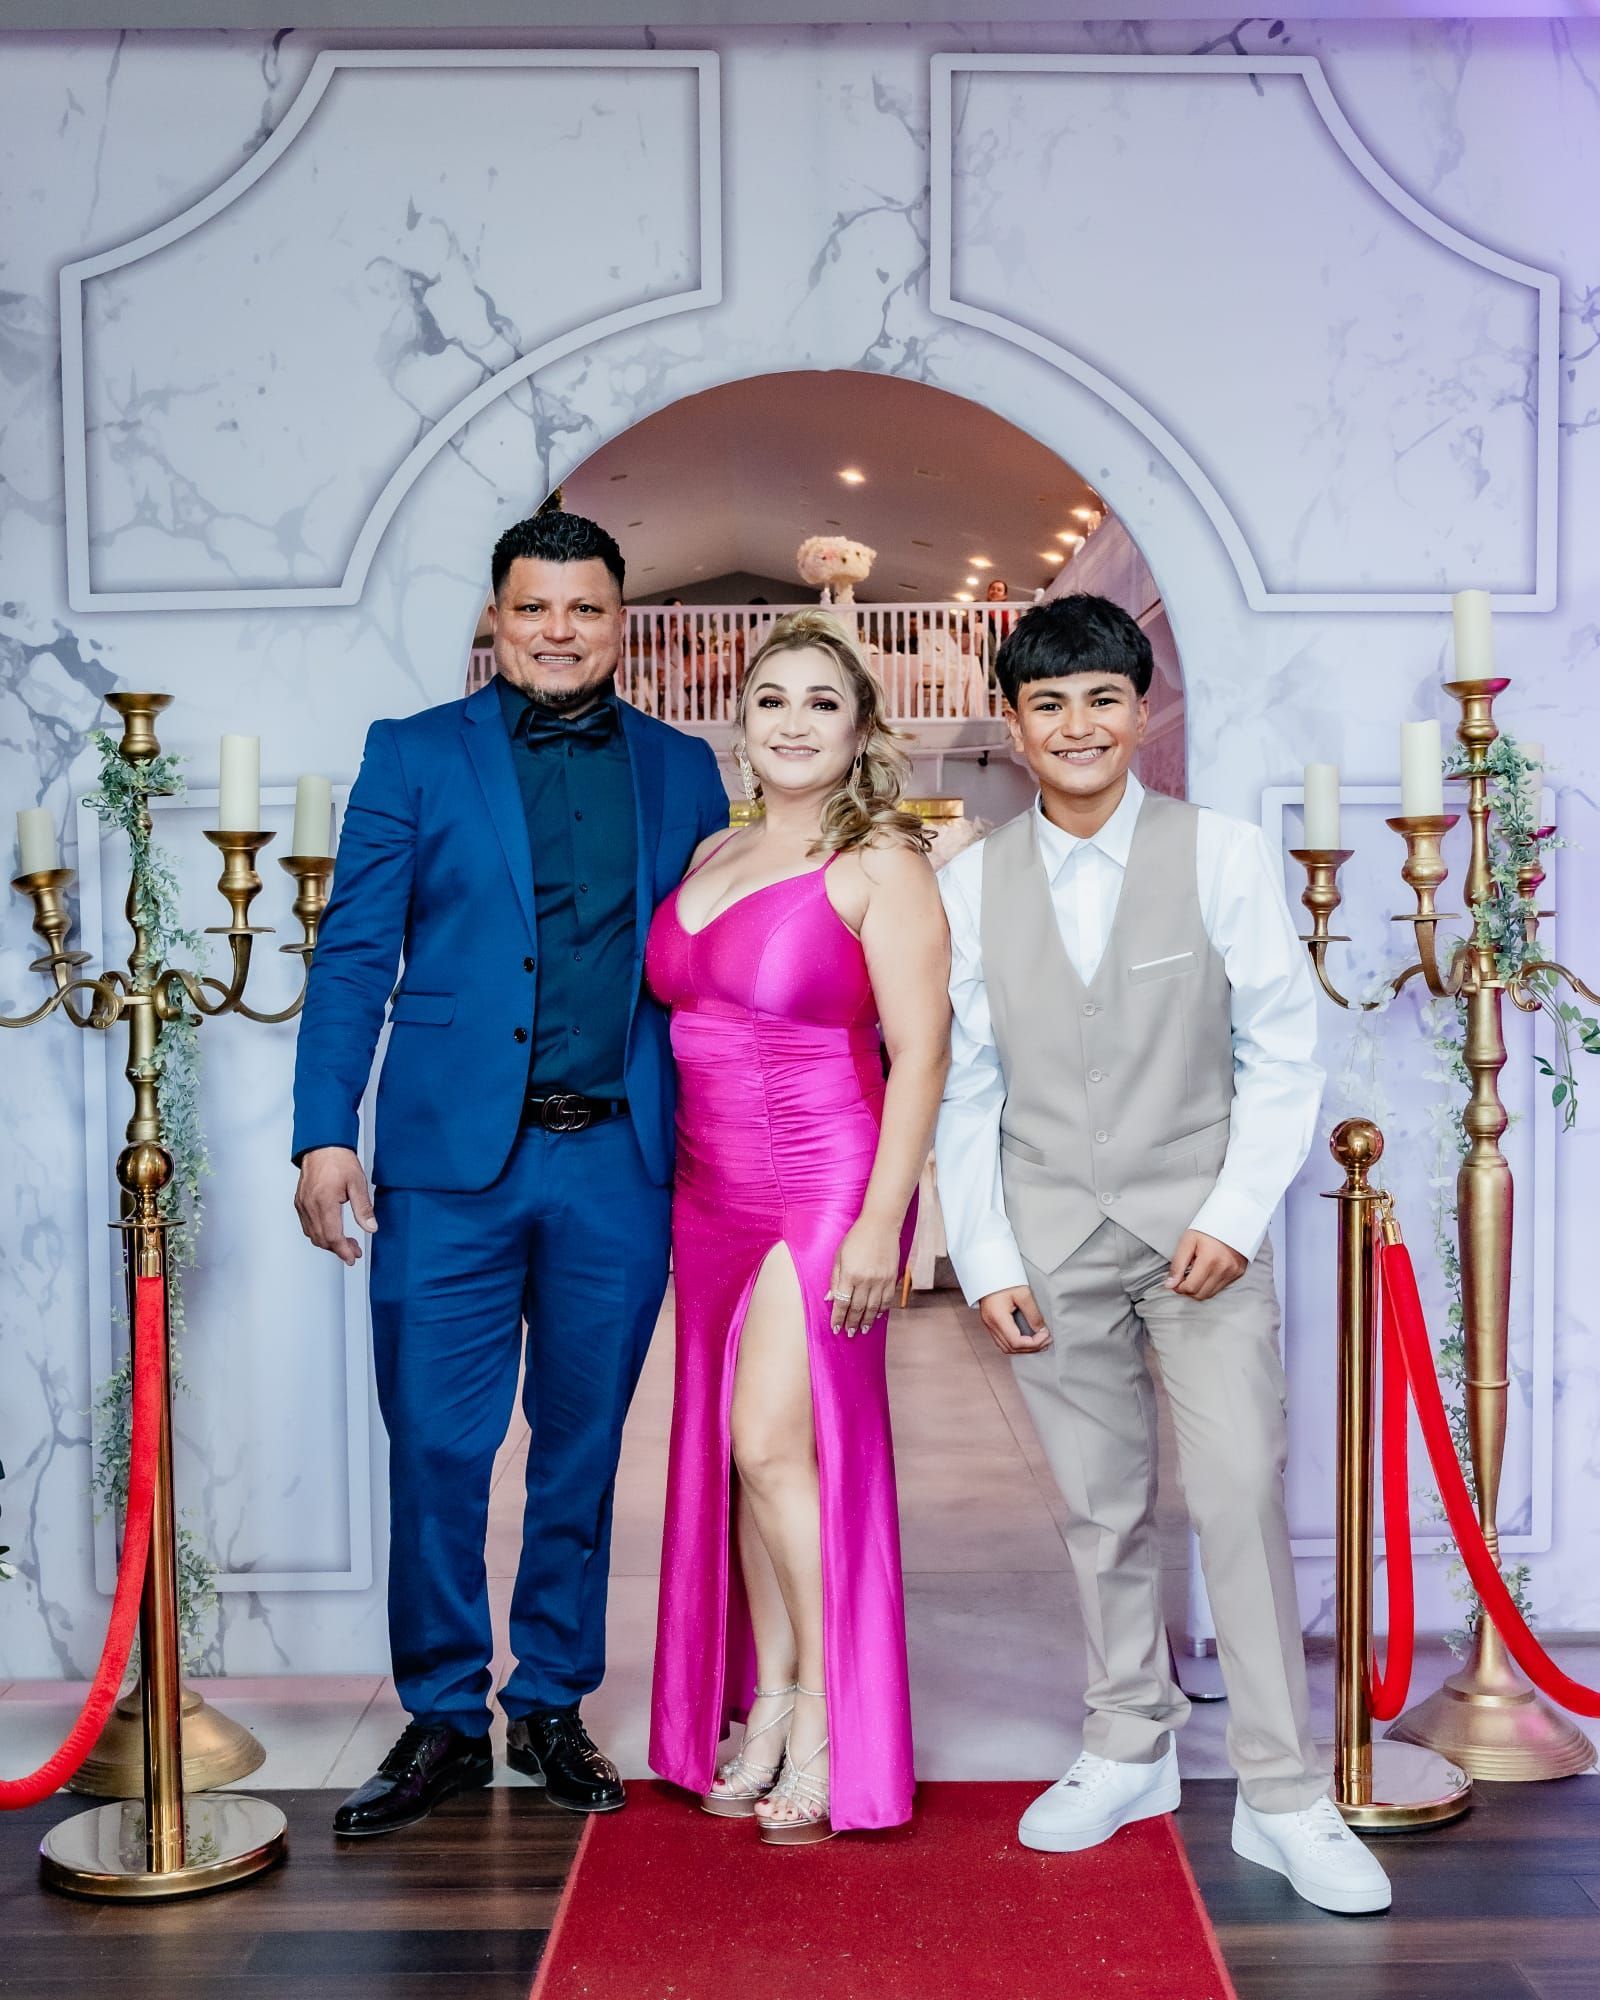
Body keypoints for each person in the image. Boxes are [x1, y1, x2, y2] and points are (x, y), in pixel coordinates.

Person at [935, 594, 1392, 1915]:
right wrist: (987, 1252)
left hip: (1203, 1238)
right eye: (1048, 703)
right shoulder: (970, 882)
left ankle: (1283, 1792)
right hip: (1049, 1233)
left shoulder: (1225, 855)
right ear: (1016, 729)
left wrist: (1234, 1214)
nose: (1076, 724)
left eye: (1101, 697)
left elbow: (1281, 1050)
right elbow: (967, 1087)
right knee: (1099, 1506)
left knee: (1240, 1494)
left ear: (1141, 713)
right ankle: (1128, 1743)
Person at [291, 511, 730, 1837]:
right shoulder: (413, 755)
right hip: (449, 1168)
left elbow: (709, 962)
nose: (556, 630)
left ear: (619, 622)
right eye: (533, 608)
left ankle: (550, 1702)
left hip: (619, 1159)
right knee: (436, 1441)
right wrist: (325, 1130)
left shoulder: (684, 768)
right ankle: (438, 1715)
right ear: (496, 616)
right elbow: (358, 952)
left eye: (584, 609)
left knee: (582, 1451)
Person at [646, 609, 950, 1843]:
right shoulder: (711, 851)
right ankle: (767, 1699)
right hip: (704, 1190)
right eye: (772, 698)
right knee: (736, 1453)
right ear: (742, 722)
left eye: (821, 701)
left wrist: (884, 1221)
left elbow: (924, 1052)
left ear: (860, 727)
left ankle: (829, 1717)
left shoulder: (882, 860)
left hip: (826, 1182)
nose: (792, 722)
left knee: (776, 1445)